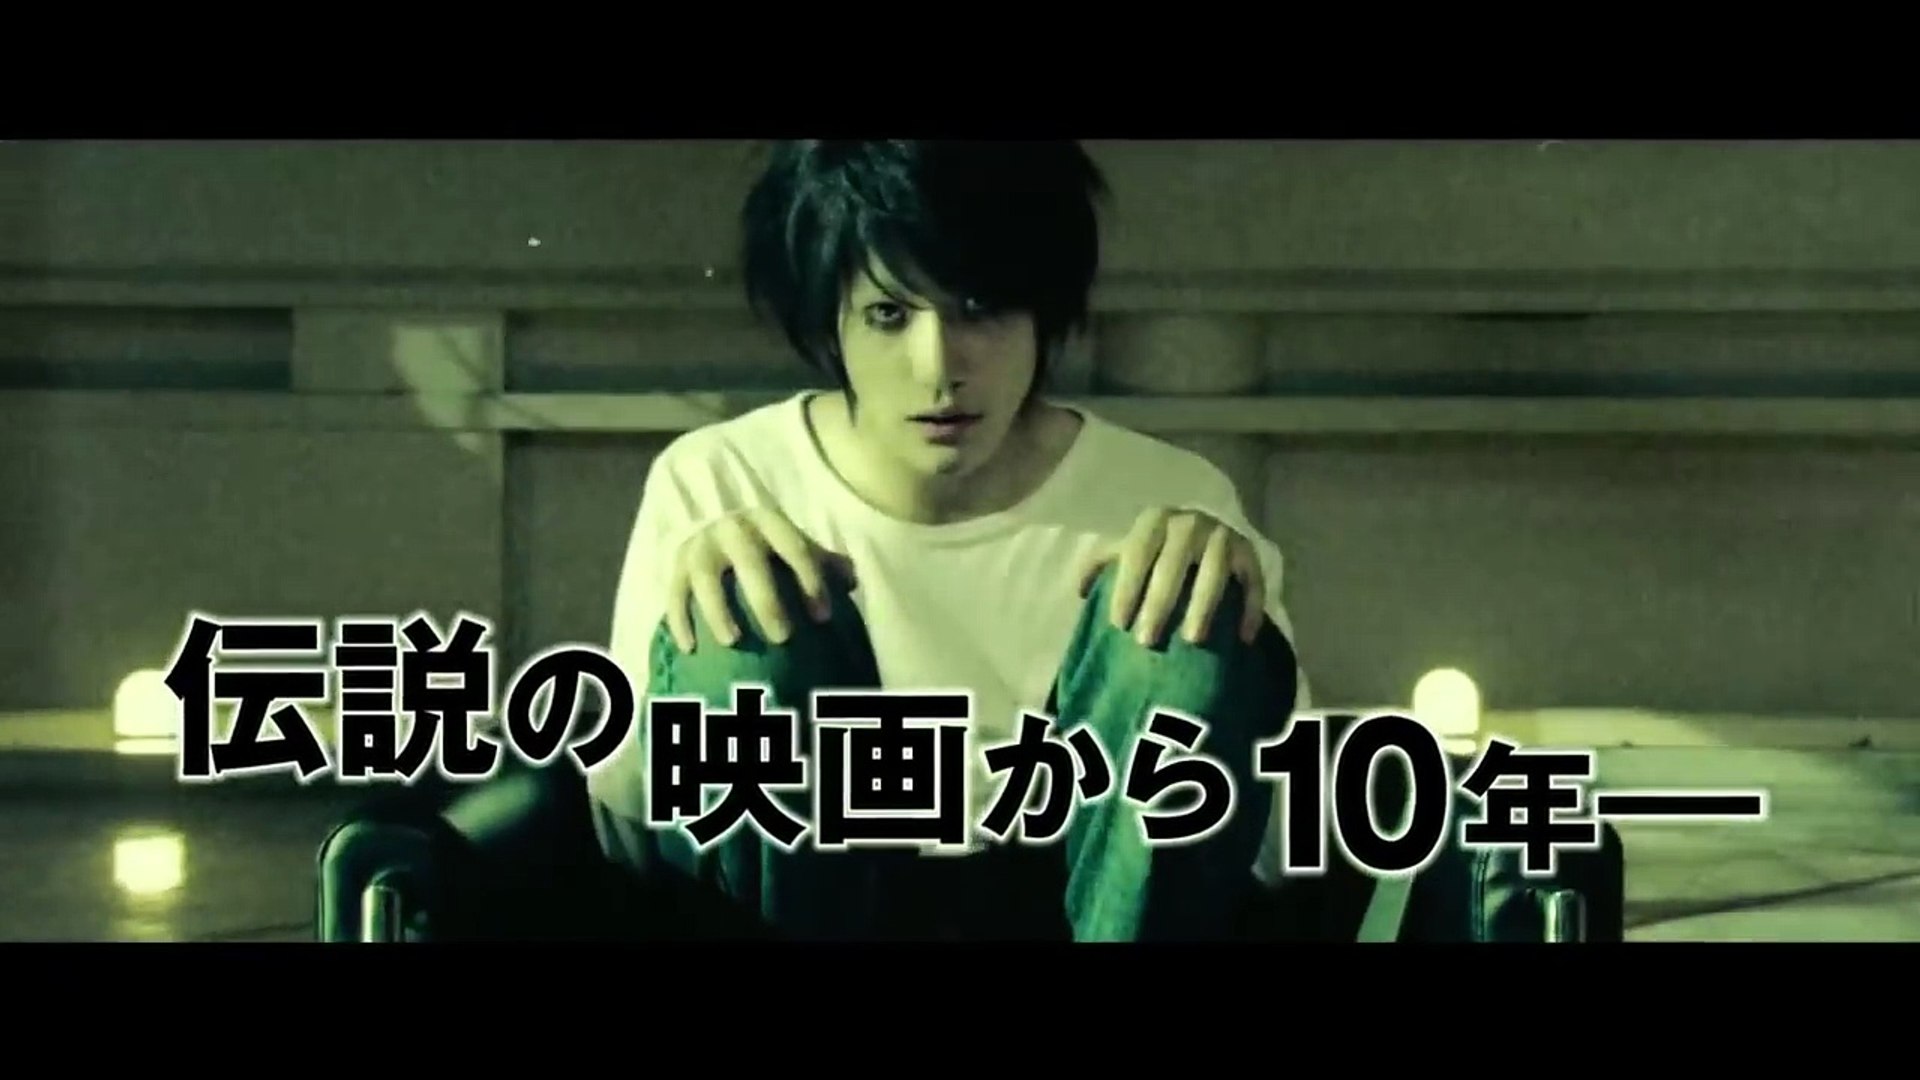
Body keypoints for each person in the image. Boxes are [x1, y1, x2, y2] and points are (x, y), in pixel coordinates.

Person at [585, 140, 1311, 941]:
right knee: (743, 622)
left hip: (1079, 901)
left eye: (980, 308)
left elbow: (1278, 846)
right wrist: (693, 635)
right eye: (888, 315)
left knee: (1184, 616)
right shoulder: (722, 478)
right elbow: (627, 827)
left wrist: (1224, 614)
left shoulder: (1168, 496)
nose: (938, 368)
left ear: (1041, 311)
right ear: (831, 318)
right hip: (810, 896)